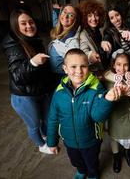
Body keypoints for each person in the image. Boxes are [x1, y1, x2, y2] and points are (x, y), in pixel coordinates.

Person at [47, 48, 122, 179]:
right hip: (69, 140)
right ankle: (81, 171)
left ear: (89, 67)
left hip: (91, 141)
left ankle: (93, 174)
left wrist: (107, 100)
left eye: (83, 66)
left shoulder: (95, 88)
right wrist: (52, 141)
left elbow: (97, 116)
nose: (79, 71)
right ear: (65, 69)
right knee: (76, 161)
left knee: (92, 161)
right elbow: (53, 118)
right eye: (73, 66)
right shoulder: (59, 92)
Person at [2, 9, 54, 154]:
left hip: (40, 90)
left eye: (31, 22)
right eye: (23, 23)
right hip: (24, 96)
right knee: (34, 124)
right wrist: (32, 63)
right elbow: (17, 76)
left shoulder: (34, 39)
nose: (29, 26)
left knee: (47, 118)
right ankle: (41, 145)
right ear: (15, 26)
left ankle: (45, 135)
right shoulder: (12, 45)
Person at [103, 49, 130, 173]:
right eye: (119, 64)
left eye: (125, 64)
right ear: (113, 65)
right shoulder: (108, 79)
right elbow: (105, 98)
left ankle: (127, 152)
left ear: (129, 65)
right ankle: (116, 156)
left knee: (129, 134)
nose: (122, 68)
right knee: (114, 135)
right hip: (115, 114)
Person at [49, 4, 81, 84]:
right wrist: (55, 10)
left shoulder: (72, 40)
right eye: (64, 12)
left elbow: (77, 61)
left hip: (63, 80)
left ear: (75, 20)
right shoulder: (60, 31)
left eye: (71, 15)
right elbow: (57, 22)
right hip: (53, 77)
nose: (66, 16)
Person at [78, 0, 108, 78]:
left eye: (96, 15)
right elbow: (84, 51)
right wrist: (90, 55)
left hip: (103, 70)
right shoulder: (83, 34)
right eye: (89, 16)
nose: (94, 19)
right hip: (93, 74)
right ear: (84, 18)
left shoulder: (99, 31)